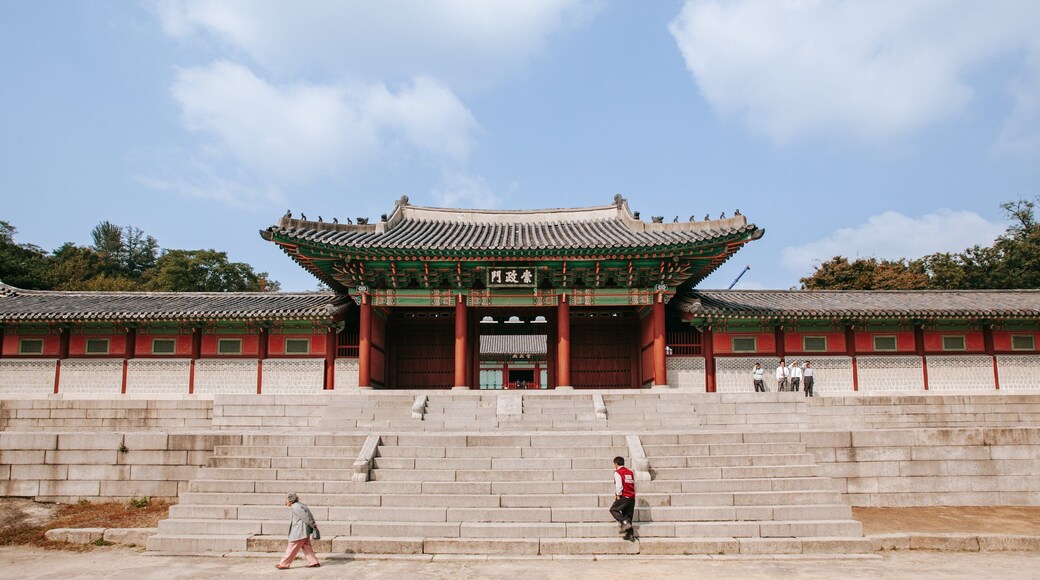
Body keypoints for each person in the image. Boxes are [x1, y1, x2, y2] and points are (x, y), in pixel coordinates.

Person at [276, 492, 321, 569]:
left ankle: (284, 564)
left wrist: (313, 525)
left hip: (299, 531)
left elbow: (306, 517)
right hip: (303, 531)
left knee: (292, 546)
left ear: (290, 500)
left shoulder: (296, 507)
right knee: (307, 546)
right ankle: (314, 562)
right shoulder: (300, 505)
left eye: (286, 500)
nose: (285, 502)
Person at [609, 456, 636, 541]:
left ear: (616, 464)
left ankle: (624, 522)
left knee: (613, 509)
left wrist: (618, 495)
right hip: (632, 496)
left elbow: (619, 485)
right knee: (628, 515)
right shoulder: (630, 472)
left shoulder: (618, 472)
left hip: (624, 495)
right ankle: (630, 535)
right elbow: (634, 484)